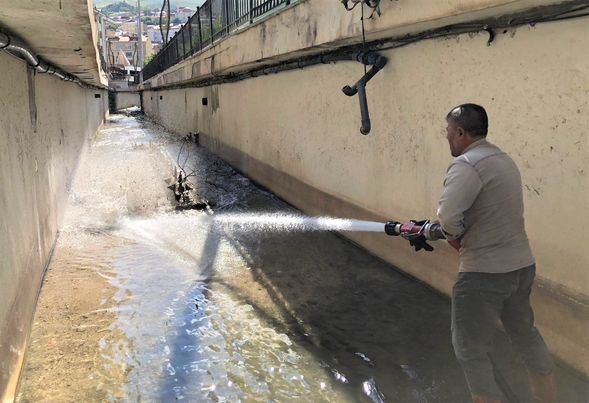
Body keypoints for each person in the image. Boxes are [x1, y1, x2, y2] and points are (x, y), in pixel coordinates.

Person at [436, 104, 556, 403]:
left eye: (448, 131)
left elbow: (449, 219)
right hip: (521, 267)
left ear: (461, 132)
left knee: (470, 350)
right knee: (524, 334)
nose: (447, 136)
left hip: (484, 274)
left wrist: (450, 235)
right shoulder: (503, 159)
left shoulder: (466, 165)